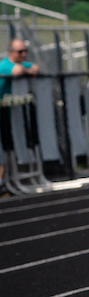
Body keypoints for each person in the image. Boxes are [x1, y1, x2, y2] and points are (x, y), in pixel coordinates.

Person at [1, 39, 40, 189]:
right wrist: (29, 71)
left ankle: (3, 183)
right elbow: (17, 70)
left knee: (6, 146)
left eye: (25, 51)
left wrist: (29, 69)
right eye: (20, 52)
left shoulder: (19, 64)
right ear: (11, 53)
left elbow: (35, 66)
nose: (24, 54)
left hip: (4, 112)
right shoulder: (5, 65)